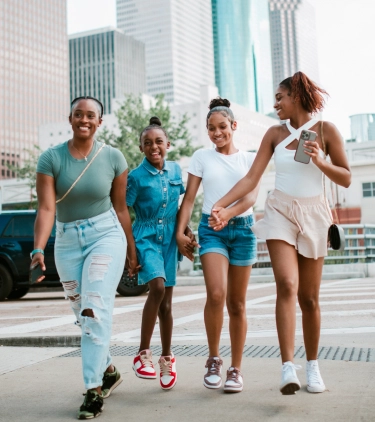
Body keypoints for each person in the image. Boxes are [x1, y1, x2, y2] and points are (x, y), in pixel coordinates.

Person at [211, 72, 351, 395]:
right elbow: (251, 179)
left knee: (310, 298)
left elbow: (345, 177)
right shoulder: (274, 134)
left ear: (297, 97)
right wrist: (221, 204)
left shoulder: (325, 130)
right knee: (287, 284)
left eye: (280, 97)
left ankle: (313, 366)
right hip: (280, 211)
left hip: (315, 212)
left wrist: (320, 161)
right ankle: (288, 367)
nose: (275, 103)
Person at [32, 96, 139, 419]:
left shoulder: (113, 158)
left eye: (91, 115)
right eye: (79, 114)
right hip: (66, 241)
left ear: (99, 122)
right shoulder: (50, 159)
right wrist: (38, 247)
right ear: (70, 118)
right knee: (83, 314)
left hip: (105, 235)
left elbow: (121, 208)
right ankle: (108, 370)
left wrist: (131, 249)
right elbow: (47, 208)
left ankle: (93, 390)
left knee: (94, 310)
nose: (84, 119)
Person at [176, 98, 260, 393]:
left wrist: (227, 212)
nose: (217, 133)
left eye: (222, 126)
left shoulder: (249, 159)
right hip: (211, 230)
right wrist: (179, 232)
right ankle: (214, 359)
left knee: (237, 304)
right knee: (216, 294)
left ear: (234, 126)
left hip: (243, 230)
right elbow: (189, 198)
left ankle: (236, 369)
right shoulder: (201, 157)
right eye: (211, 128)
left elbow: (251, 198)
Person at [127, 116, 196, 390]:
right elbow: (122, 213)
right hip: (145, 238)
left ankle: (167, 358)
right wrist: (130, 253)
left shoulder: (177, 170)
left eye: (158, 141)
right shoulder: (135, 177)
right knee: (155, 288)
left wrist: (186, 230)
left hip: (169, 240)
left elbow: (179, 208)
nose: (153, 146)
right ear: (141, 148)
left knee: (166, 305)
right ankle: (143, 353)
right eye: (147, 143)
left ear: (167, 144)